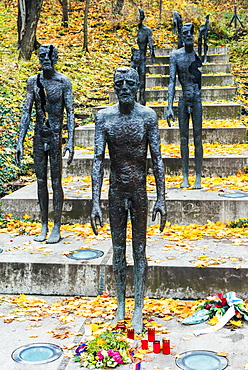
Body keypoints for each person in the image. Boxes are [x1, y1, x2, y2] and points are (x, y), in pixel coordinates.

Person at [91, 67, 166, 333]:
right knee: (118, 249)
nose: (123, 87)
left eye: (129, 83)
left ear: (136, 85)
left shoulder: (148, 116)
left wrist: (162, 198)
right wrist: (94, 201)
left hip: (139, 192)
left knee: (139, 249)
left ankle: (138, 308)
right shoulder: (104, 117)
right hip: (116, 191)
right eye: (118, 83)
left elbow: (157, 159)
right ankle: (121, 305)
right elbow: (98, 160)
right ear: (113, 86)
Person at [16, 44, 75, 243]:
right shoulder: (33, 82)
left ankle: (56, 225)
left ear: (55, 58)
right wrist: (20, 140)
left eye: (49, 56)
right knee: (41, 181)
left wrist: (71, 140)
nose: (46, 59)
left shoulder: (63, 82)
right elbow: (27, 111)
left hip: (56, 135)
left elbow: (70, 111)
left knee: (56, 181)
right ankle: (43, 224)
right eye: (42, 56)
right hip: (40, 135)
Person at [166, 23, 203, 189]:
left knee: (197, 137)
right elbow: (172, 81)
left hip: (196, 99)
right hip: (183, 99)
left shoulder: (197, 53)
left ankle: (198, 176)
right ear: (181, 35)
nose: (188, 35)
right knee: (183, 139)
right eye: (185, 33)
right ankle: (185, 176)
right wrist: (169, 106)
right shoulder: (175, 55)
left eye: (190, 33)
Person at [137, 8, 156, 106]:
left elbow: (151, 45)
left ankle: (142, 104)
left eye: (140, 16)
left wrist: (152, 56)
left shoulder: (146, 30)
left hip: (142, 58)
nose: (138, 18)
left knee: (142, 83)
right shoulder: (134, 30)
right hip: (134, 59)